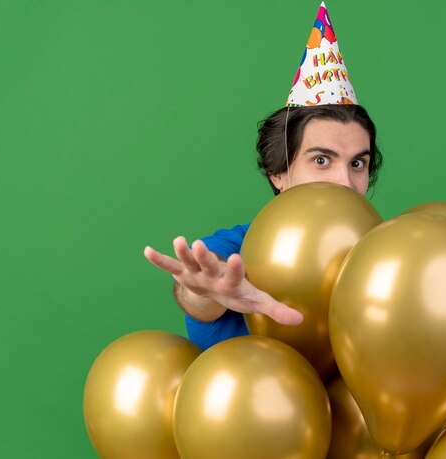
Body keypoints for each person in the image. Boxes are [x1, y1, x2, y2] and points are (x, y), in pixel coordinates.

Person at [143, 3, 383, 350]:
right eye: (321, 160)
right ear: (278, 173)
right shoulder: (241, 248)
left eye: (357, 164)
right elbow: (202, 284)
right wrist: (207, 289)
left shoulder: (386, 261)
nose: (344, 182)